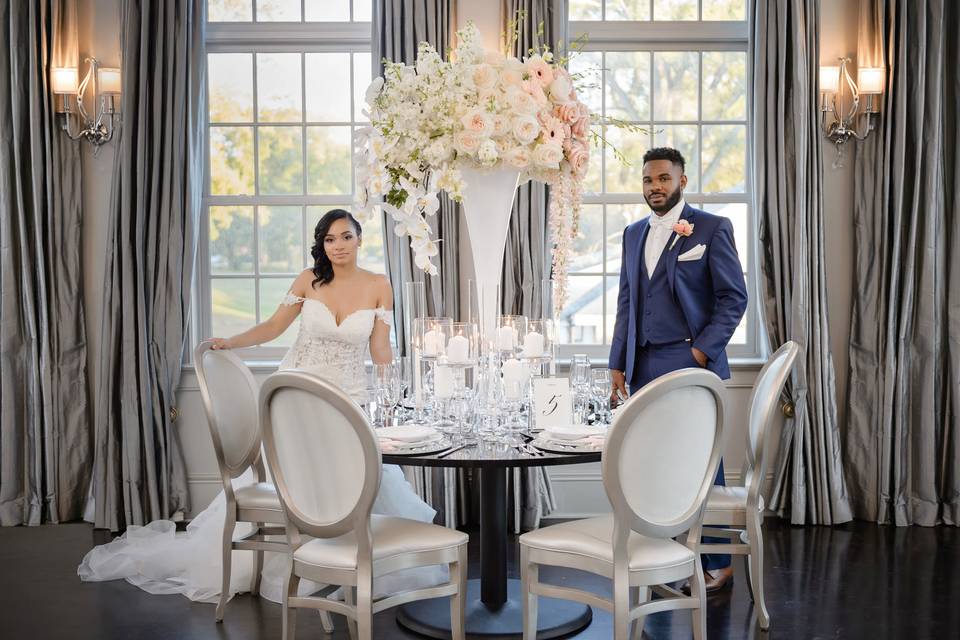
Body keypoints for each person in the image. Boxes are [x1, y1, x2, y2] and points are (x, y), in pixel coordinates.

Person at [79, 209, 444, 604]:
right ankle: (296, 563)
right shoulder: (309, 280)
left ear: (359, 239)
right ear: (322, 245)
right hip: (295, 397)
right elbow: (273, 327)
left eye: (346, 237)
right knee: (306, 478)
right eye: (329, 239)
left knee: (360, 475)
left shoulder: (379, 285)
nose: (338, 246)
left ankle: (351, 561)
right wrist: (230, 342)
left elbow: (380, 348)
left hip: (350, 398)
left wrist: (406, 390)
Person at [608, 147, 748, 594]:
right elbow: (627, 302)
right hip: (642, 361)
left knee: (700, 459)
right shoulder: (632, 234)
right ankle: (664, 554)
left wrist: (702, 354)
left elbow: (733, 298)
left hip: (688, 359)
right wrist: (617, 362)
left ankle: (719, 560)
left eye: (664, 179)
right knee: (649, 458)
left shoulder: (711, 228)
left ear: (681, 181)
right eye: (649, 180)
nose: (655, 187)